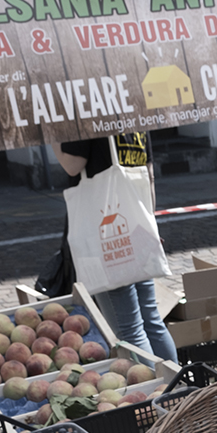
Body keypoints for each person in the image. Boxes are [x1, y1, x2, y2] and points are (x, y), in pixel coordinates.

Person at [52, 134, 179, 363]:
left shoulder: (89, 113)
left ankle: (159, 393)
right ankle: (176, 389)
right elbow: (148, 175)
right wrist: (149, 225)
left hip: (106, 238)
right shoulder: (130, 111)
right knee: (151, 320)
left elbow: (73, 165)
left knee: (129, 331)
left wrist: (52, 135)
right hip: (137, 224)